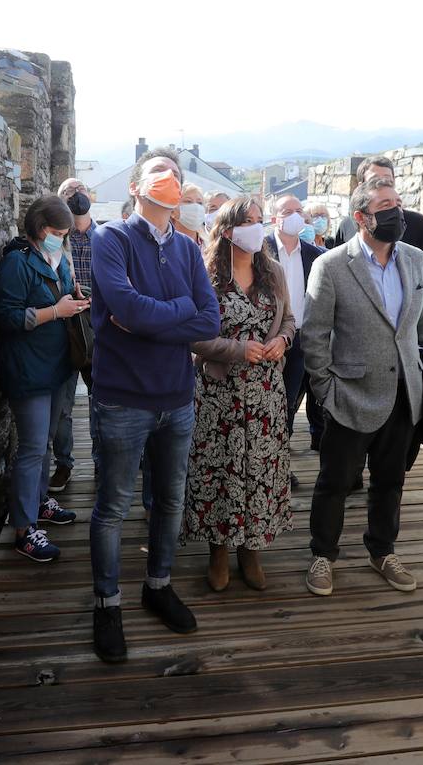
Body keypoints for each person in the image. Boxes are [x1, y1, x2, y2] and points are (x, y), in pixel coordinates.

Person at [88, 146, 220, 663]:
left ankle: (157, 585)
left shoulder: (188, 249)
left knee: (169, 501)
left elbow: (208, 322)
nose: (168, 180)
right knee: (113, 508)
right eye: (157, 173)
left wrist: (157, 317)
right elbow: (122, 307)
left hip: (176, 397)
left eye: (175, 174)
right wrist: (178, 314)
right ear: (136, 187)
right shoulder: (111, 238)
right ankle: (107, 602)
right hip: (122, 398)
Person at [301, 178, 423, 597]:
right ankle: (323, 555)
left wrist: (421, 374)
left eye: (398, 203)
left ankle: (382, 550)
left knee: (391, 481)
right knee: (335, 482)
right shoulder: (332, 265)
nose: (396, 212)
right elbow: (315, 334)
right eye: (384, 205)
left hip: (403, 394)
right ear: (361, 218)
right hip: (350, 395)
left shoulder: (414, 260)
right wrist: (325, 390)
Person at [184, 197, 294, 591]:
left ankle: (251, 548)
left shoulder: (274, 271)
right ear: (228, 229)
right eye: (250, 221)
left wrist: (282, 340)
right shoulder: (206, 275)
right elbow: (194, 336)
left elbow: (290, 321)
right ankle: (218, 549)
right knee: (218, 470)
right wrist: (236, 350)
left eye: (261, 221)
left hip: (265, 391)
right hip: (219, 391)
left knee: (260, 471)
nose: (258, 228)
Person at [0, 196, 84, 562]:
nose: (60, 240)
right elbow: (8, 316)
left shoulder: (56, 256)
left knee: (44, 442)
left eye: (64, 235)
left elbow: (59, 295)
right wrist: (55, 311)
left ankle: (40, 501)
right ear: (38, 228)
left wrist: (74, 297)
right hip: (29, 369)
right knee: (31, 448)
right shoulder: (18, 262)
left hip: (57, 364)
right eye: (56, 233)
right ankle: (24, 529)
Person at [262, 193, 324, 487]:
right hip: (264, 341)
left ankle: (278, 468)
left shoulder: (315, 255)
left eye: (301, 210)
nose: (297, 215)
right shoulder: (259, 249)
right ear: (275, 217)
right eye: (289, 211)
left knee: (287, 404)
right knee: (262, 405)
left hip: (299, 341)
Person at [49, 177, 97, 493]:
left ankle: (103, 461)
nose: (75, 195)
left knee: (102, 398)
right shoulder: (56, 240)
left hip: (98, 323)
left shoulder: (107, 237)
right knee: (64, 403)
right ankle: (64, 465)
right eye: (68, 192)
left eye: (79, 189)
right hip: (65, 325)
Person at [330, 155, 423, 288]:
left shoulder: (417, 224)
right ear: (361, 186)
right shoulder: (347, 225)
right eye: (375, 180)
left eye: (388, 180)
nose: (382, 184)